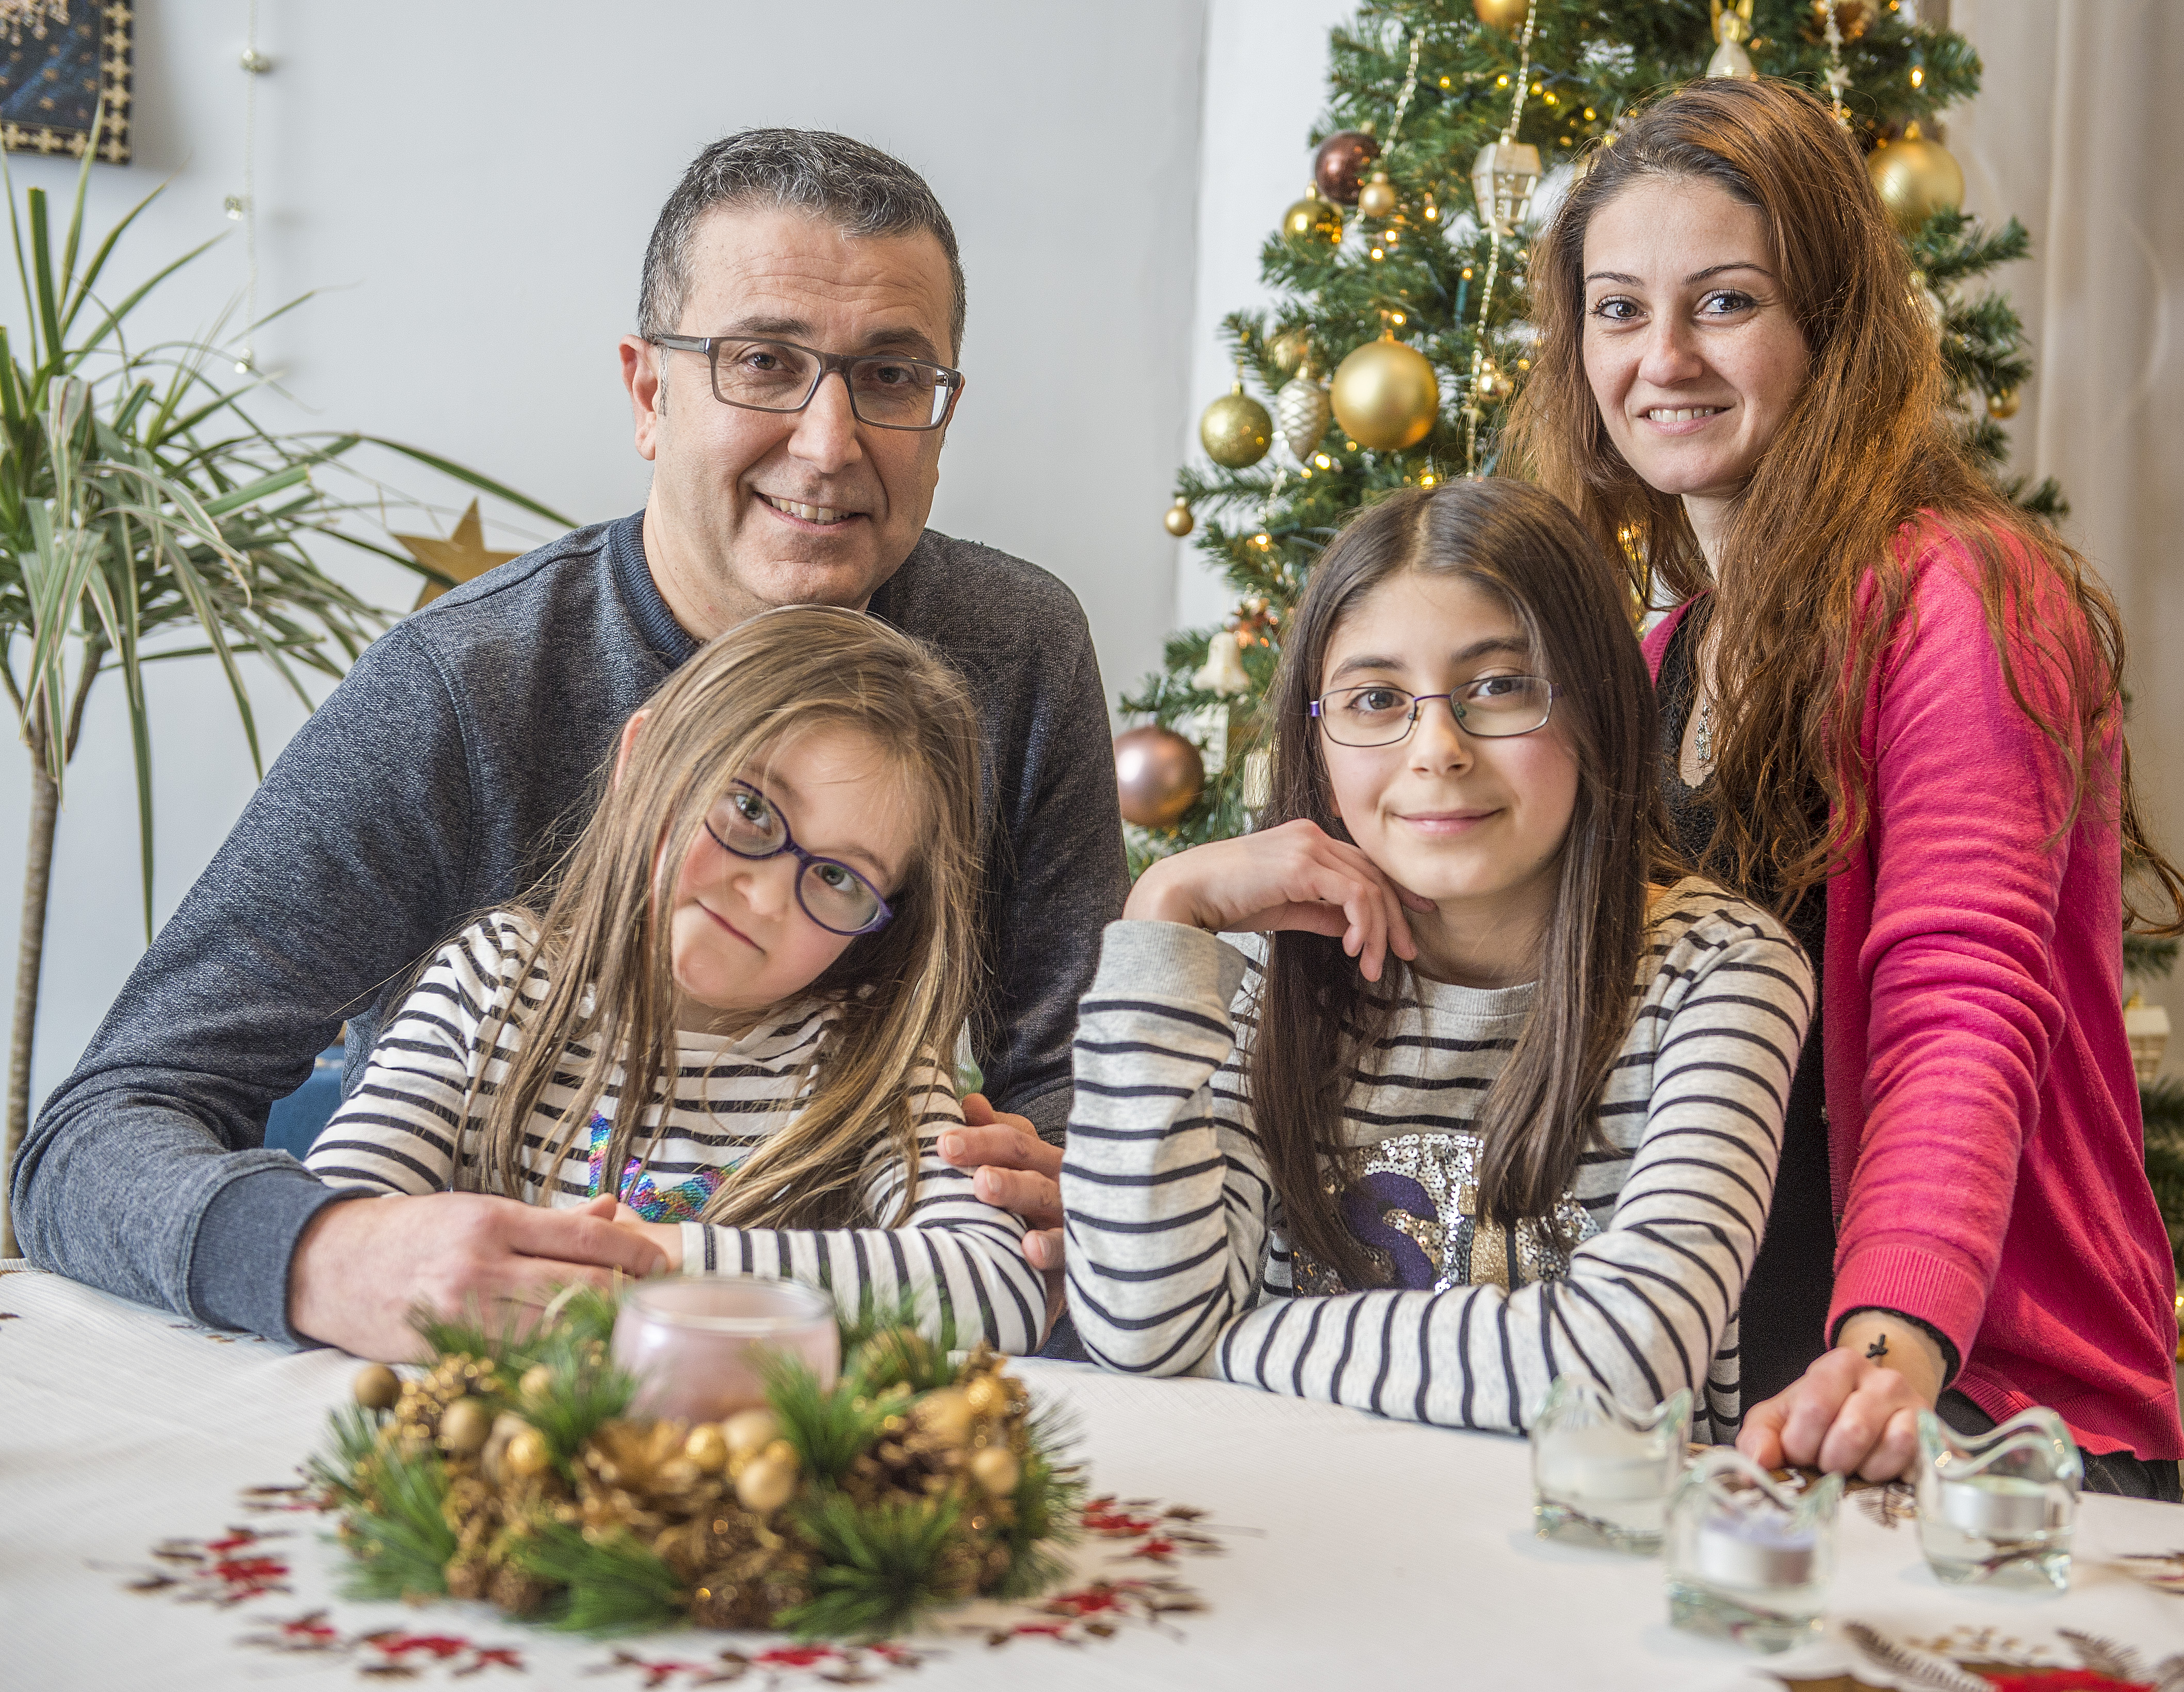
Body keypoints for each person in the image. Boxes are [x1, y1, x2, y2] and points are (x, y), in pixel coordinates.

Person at [13, 131, 1117, 1359]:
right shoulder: (459, 687)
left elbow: (1061, 1094)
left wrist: (1079, 1187)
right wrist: (329, 1250)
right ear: (651, 393)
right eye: (762, 362)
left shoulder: (1017, 648)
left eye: (894, 378)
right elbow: (98, 1134)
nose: (828, 443)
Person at [1503, 79, 2184, 1494]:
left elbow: (1961, 999)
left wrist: (1886, 1364)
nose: (1664, 358)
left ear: (1830, 319)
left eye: (1727, 302)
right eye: (1619, 310)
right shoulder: (1651, 661)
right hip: (1729, 1403)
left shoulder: (1960, 594)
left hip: (1969, 1404)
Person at [1060, 478, 1811, 1435]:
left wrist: (1234, 1340)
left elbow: (1623, 1368)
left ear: (1598, 708)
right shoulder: (1258, 967)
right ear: (1317, 735)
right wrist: (1161, 913)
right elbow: (1135, 1323)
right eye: (1375, 699)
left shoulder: (1723, 972)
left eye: (1498, 686)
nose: (1437, 749)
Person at [304, 606, 1045, 1355]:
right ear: (642, 761)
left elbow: (998, 1286)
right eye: (749, 808)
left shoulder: (866, 1062)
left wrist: (664, 1259)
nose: (763, 896)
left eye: (836, 877)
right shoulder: (489, 982)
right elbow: (338, 1234)